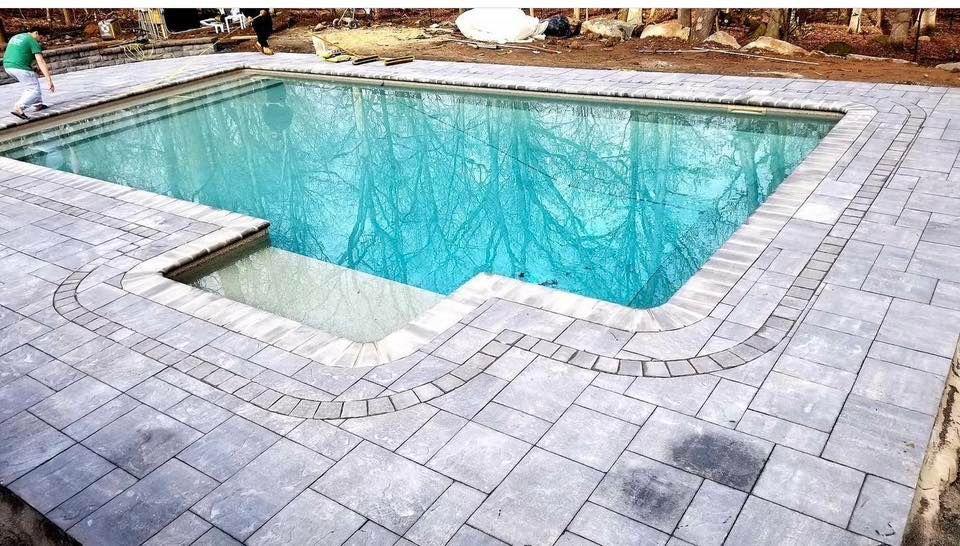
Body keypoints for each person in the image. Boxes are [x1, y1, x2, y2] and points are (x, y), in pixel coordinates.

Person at [3, 30, 54, 120]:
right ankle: (19, 107)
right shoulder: (32, 40)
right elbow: (41, 61)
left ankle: (38, 104)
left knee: (31, 80)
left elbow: (19, 53)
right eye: (40, 38)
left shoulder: (16, 36)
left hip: (8, 66)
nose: (39, 41)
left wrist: (33, 69)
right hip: (19, 67)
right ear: (36, 33)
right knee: (33, 89)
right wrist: (49, 80)